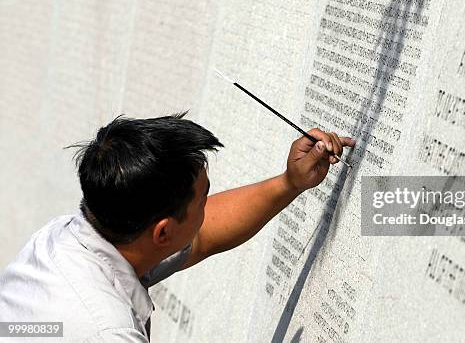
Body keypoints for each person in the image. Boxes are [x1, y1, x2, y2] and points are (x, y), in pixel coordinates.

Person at [0, 112, 355, 342]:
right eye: (203, 200)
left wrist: (289, 182)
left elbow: (203, 235)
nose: (207, 209)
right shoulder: (106, 331)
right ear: (163, 232)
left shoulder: (70, 236)